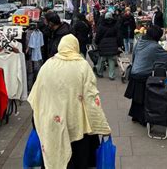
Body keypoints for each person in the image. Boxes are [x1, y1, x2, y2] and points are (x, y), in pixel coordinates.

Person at [28, 34, 111, 168]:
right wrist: (102, 125)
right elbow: (91, 98)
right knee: (78, 158)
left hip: (52, 122)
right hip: (77, 123)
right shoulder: (82, 65)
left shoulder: (48, 64)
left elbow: (36, 95)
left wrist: (38, 118)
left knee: (54, 153)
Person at [124, 25, 167, 125]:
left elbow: (134, 56)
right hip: (143, 75)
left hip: (134, 73)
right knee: (145, 98)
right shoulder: (154, 46)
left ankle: (135, 116)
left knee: (137, 100)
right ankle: (144, 119)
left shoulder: (140, 42)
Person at [95, 12, 121, 80]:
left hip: (103, 44)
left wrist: (97, 42)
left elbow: (98, 36)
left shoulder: (101, 25)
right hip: (113, 44)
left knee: (102, 59)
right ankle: (111, 75)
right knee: (111, 60)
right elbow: (118, 36)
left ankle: (100, 73)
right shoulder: (115, 25)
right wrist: (119, 44)